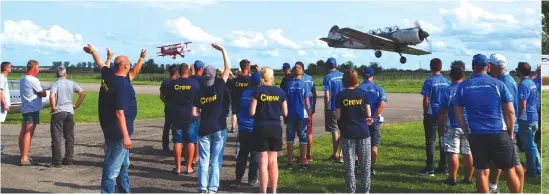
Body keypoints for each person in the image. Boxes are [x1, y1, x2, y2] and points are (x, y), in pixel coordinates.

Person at [454, 54, 522, 193]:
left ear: (472, 67)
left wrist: (466, 130)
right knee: (509, 169)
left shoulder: (463, 86)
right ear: (488, 67)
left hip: (476, 133)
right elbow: (510, 111)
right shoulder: (498, 84)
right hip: (498, 132)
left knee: (482, 171)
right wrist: (510, 130)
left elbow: (458, 112)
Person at [84, 44, 145, 193]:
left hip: (109, 129)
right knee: (111, 169)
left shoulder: (109, 74)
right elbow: (119, 113)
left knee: (123, 165)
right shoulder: (122, 86)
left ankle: (125, 190)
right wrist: (126, 137)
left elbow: (100, 63)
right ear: (125, 66)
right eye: (129, 63)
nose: (131, 66)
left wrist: (95, 52)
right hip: (119, 133)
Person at [191, 43, 231, 194]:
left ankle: (202, 188)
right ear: (215, 76)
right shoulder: (219, 85)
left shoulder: (199, 90)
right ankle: (212, 189)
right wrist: (223, 50)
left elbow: (194, 113)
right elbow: (227, 68)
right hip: (219, 127)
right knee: (215, 160)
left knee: (203, 160)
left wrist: (204, 116)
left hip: (204, 128)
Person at [487, 53, 524, 193]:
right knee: (499, 160)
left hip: (508, 126)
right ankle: (493, 187)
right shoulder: (506, 79)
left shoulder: (503, 82)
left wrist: (510, 129)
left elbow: (508, 108)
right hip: (507, 125)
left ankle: (518, 191)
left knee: (513, 163)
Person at [249, 67, 287, 194]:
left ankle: (263, 191)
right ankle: (274, 191)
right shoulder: (280, 91)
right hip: (275, 126)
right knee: (273, 161)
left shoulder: (257, 91)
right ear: (272, 77)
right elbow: (285, 112)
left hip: (261, 126)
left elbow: (251, 112)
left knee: (263, 161)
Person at [335, 69, 373, 193]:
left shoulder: (340, 96)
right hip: (363, 132)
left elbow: (338, 116)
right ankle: (366, 190)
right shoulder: (363, 93)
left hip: (347, 133)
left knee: (349, 166)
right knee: (365, 165)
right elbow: (368, 113)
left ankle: (351, 191)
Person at [437, 65, 473, 186]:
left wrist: (441, 130)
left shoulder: (448, 91)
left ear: (451, 76)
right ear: (463, 76)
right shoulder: (469, 89)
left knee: (453, 152)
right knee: (468, 152)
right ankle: (468, 178)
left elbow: (442, 112)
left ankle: (452, 178)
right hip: (468, 125)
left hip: (453, 124)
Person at [45, 66, 86, 168]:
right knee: (69, 137)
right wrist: (76, 105)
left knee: (56, 136)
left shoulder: (55, 83)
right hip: (70, 112)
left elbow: (52, 95)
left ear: (57, 74)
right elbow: (82, 94)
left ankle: (57, 161)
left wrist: (53, 106)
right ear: (65, 74)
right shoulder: (71, 83)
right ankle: (68, 159)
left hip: (59, 111)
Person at [418, 58, 450, 176]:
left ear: (431, 67)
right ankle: (443, 166)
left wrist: (425, 113)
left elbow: (426, 99)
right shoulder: (446, 81)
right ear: (441, 67)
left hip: (432, 113)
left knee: (430, 140)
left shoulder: (429, 81)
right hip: (444, 113)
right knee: (443, 139)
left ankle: (430, 166)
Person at [166, 64, 200, 175]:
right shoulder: (194, 83)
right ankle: (189, 167)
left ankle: (178, 168)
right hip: (191, 116)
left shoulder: (173, 83)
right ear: (189, 71)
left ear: (178, 72)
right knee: (191, 141)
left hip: (176, 115)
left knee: (177, 141)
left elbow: (167, 98)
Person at [233, 72, 262, 188]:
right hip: (254, 127)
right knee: (255, 154)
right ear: (261, 82)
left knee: (243, 153)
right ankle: (252, 179)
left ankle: (238, 178)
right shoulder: (259, 94)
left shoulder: (245, 93)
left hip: (243, 127)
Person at [358, 67, 387, 176]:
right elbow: (382, 105)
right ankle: (370, 168)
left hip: (361, 120)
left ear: (362, 76)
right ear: (373, 77)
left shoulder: (359, 88)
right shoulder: (379, 88)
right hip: (374, 121)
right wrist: (373, 117)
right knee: (374, 144)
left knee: (361, 144)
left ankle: (361, 165)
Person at [19, 60, 47, 166]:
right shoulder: (33, 80)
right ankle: (25, 158)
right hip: (32, 108)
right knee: (28, 133)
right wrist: (45, 92)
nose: (38, 69)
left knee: (23, 132)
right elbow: (41, 93)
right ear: (34, 68)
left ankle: (23, 155)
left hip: (26, 107)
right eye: (38, 67)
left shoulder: (22, 78)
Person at [516, 62, 541, 177]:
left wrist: (517, 116)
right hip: (534, 116)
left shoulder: (523, 84)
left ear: (519, 72)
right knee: (532, 145)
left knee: (528, 146)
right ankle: (538, 168)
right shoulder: (531, 82)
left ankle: (532, 171)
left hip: (526, 119)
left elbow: (522, 103)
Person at [285, 63, 311, 170]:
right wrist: (309, 111)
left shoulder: (288, 84)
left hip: (291, 113)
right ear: (302, 72)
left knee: (290, 138)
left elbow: (285, 100)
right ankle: (302, 162)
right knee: (303, 138)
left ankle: (290, 161)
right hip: (302, 114)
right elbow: (307, 102)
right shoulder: (304, 84)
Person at [322, 57, 344, 162]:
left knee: (334, 131)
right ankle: (342, 154)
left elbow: (327, 95)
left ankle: (335, 154)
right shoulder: (343, 75)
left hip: (333, 107)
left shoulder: (327, 77)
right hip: (344, 106)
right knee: (343, 130)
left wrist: (326, 106)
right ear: (336, 65)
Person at [228, 60, 254, 134]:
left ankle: (242, 136)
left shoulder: (234, 81)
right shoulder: (251, 80)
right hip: (249, 106)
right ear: (248, 67)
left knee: (241, 126)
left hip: (238, 106)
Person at [299, 62, 317, 162]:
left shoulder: (297, 80)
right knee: (309, 131)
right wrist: (313, 106)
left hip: (300, 109)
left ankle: (303, 156)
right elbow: (314, 93)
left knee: (301, 133)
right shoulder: (310, 78)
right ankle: (309, 154)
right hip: (309, 109)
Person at [160, 65, 180, 152]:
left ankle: (165, 146)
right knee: (177, 128)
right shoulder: (179, 83)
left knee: (166, 128)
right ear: (177, 72)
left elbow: (161, 96)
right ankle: (177, 145)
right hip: (177, 109)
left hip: (168, 108)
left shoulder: (165, 83)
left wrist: (167, 102)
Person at [0, 62, 11, 152]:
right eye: (10, 67)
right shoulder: (1, 78)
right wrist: (4, 104)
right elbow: (0, 92)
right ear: (6, 68)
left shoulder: (4, 78)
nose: (11, 68)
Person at [530, 65, 541, 150]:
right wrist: (536, 73)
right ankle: (538, 145)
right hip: (536, 108)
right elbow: (529, 82)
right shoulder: (535, 80)